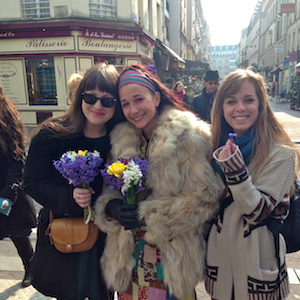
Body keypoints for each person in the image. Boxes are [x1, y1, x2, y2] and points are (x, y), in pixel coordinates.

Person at [95, 65, 221, 300]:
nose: (133, 109)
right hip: (128, 261)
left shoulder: (189, 136)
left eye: (138, 99)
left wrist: (148, 214)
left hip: (170, 260)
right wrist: (111, 207)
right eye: (125, 104)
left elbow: (207, 195)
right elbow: (111, 187)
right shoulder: (122, 139)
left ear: (155, 97)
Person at [23, 63, 125, 300]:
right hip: (65, 236)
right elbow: (32, 182)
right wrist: (69, 197)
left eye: (108, 101)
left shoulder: (121, 140)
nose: (98, 106)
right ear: (80, 97)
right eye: (91, 98)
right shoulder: (52, 134)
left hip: (105, 241)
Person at [205, 68, 300, 299]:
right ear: (222, 108)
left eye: (248, 100)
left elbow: (257, 211)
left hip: (257, 268)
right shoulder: (213, 147)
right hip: (222, 268)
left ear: (261, 105)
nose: (240, 108)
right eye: (231, 101)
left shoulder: (281, 154)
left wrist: (233, 167)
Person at [0, 86, 36, 288]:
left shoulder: (5, 115)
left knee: (17, 233)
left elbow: (17, 157)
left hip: (6, 187)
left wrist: (9, 191)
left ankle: (30, 265)